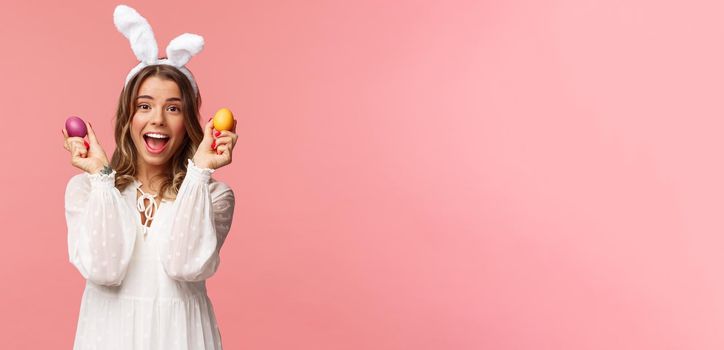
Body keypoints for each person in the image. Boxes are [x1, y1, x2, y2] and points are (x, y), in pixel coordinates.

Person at [61, 5, 237, 349]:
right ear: (128, 118)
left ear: (188, 122)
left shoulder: (214, 195)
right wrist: (101, 178)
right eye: (144, 106)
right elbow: (104, 270)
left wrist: (200, 173)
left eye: (173, 108)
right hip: (108, 337)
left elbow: (185, 265)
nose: (157, 118)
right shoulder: (85, 190)